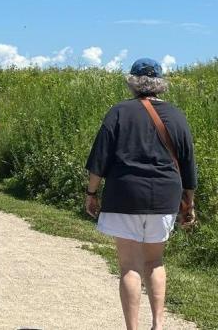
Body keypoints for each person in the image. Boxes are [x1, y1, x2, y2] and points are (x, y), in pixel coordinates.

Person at [84, 58, 197, 330]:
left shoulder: (119, 112)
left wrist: (91, 192)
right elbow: (188, 163)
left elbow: (100, 157)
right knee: (155, 261)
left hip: (125, 194)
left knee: (129, 266)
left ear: (132, 82)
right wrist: (189, 204)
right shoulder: (177, 115)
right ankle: (158, 325)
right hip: (164, 195)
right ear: (160, 83)